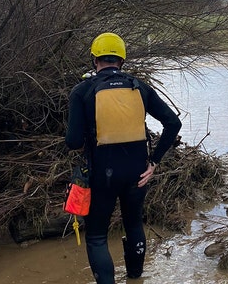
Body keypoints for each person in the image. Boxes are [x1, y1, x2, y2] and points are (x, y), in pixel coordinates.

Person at [65, 32, 182, 283]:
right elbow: (173, 122)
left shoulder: (82, 90)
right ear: (122, 61)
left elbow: (73, 142)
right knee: (133, 226)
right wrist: (154, 162)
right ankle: (135, 278)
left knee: (96, 237)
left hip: (101, 176)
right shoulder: (140, 87)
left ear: (94, 60)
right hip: (138, 174)